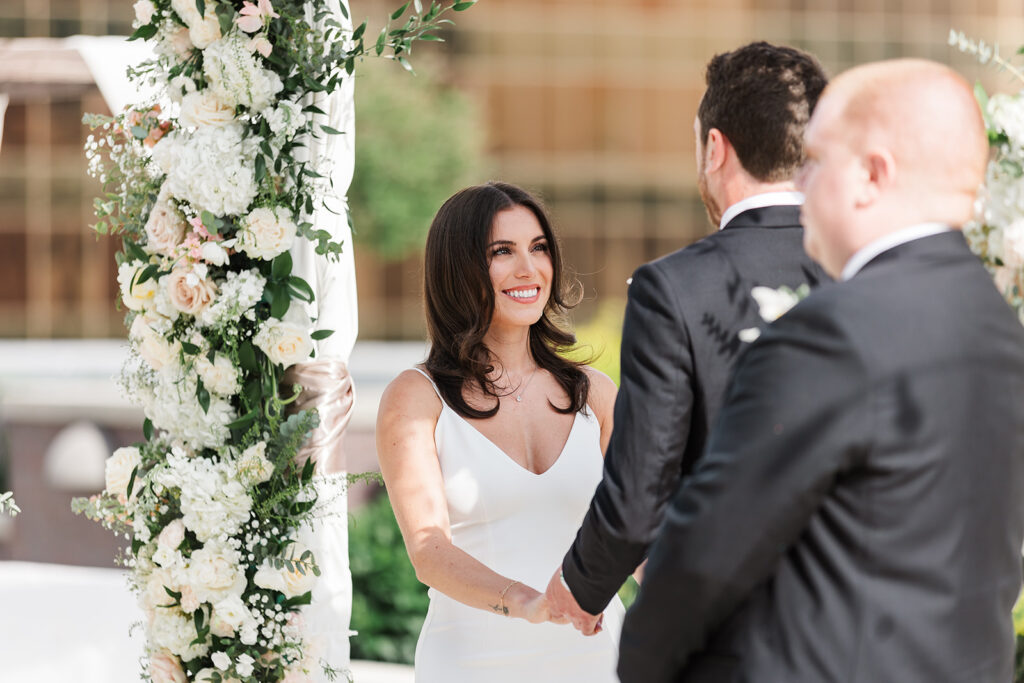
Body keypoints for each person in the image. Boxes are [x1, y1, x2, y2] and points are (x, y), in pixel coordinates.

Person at [617, 59, 1024, 682]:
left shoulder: (829, 334)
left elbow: (706, 555)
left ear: (871, 175)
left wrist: (642, 663)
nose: (801, 182)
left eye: (814, 159)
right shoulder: (999, 326)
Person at [545, 41, 829, 633]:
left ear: (716, 148)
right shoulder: (869, 272)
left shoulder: (673, 288)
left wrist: (580, 586)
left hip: (735, 636)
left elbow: (639, 494)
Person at [375, 181, 624, 681]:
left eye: (538, 248)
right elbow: (429, 551)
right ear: (458, 268)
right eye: (502, 252)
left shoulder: (595, 392)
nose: (528, 269)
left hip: (599, 658)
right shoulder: (416, 397)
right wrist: (529, 602)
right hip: (473, 664)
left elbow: (637, 528)